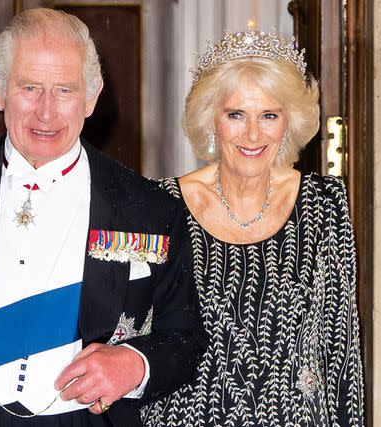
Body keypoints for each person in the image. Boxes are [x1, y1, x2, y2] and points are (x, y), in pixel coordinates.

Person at [0, 8, 203, 427]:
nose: (46, 113)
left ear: (92, 95)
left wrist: (135, 365)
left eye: (65, 90)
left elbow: (185, 340)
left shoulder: (149, 209)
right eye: (29, 87)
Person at [141, 29, 364, 426]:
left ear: (288, 122)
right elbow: (140, 341)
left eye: (269, 115)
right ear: (212, 119)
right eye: (236, 114)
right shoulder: (162, 206)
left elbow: (340, 352)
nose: (253, 134)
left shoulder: (325, 204)